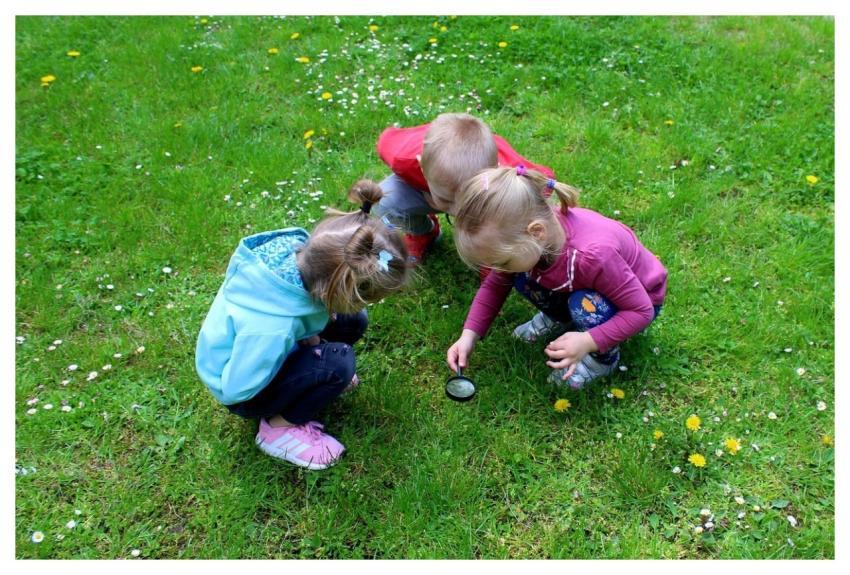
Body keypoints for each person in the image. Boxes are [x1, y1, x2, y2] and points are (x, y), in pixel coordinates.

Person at [196, 180, 409, 469]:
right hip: (242, 385)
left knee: (352, 322)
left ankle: (310, 375)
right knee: (338, 365)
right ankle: (278, 428)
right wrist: (294, 358)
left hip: (272, 342)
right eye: (364, 299)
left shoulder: (302, 260)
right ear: (336, 290)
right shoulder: (271, 328)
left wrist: (308, 338)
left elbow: (299, 314)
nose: (366, 306)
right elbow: (236, 388)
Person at [446, 166, 667, 390]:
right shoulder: (534, 242)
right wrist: (469, 336)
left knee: (583, 303)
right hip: (585, 283)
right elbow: (495, 285)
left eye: (501, 262)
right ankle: (561, 318)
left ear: (536, 233)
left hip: (636, 301)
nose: (496, 269)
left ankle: (601, 361)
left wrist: (587, 341)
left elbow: (641, 311)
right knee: (519, 275)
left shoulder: (593, 257)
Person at [373, 112, 555, 265]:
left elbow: (543, 183)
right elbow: (385, 141)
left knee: (506, 211)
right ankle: (424, 232)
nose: (458, 212)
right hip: (424, 189)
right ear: (421, 166)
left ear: (494, 171)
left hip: (487, 192)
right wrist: (426, 192)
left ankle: (489, 251)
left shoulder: (507, 173)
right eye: (446, 200)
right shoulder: (403, 158)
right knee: (384, 199)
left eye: (467, 200)